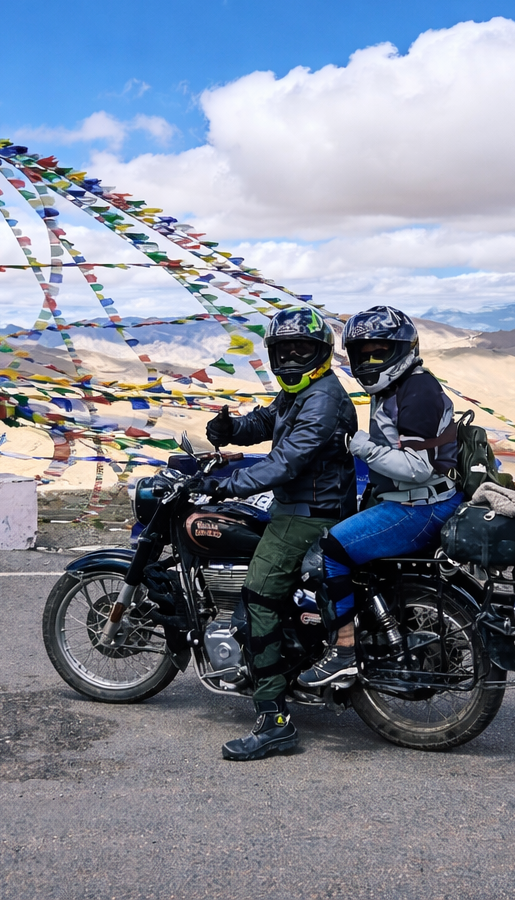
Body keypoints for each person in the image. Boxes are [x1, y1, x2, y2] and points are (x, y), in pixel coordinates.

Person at [197, 306, 358, 761]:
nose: (291, 358)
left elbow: (286, 462)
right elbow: (267, 423)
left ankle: (274, 721)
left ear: (320, 353)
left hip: (308, 515)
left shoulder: (323, 399)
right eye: (283, 350)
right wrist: (232, 429)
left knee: (258, 602)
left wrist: (225, 485)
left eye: (301, 349)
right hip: (297, 507)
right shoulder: (300, 392)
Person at [297, 305, 463, 687]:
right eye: (362, 354)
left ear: (402, 350)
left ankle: (343, 651)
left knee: (331, 550)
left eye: (379, 352)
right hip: (415, 500)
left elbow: (417, 467)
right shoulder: (396, 388)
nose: (369, 362)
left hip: (420, 506)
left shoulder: (418, 391)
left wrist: (362, 447)